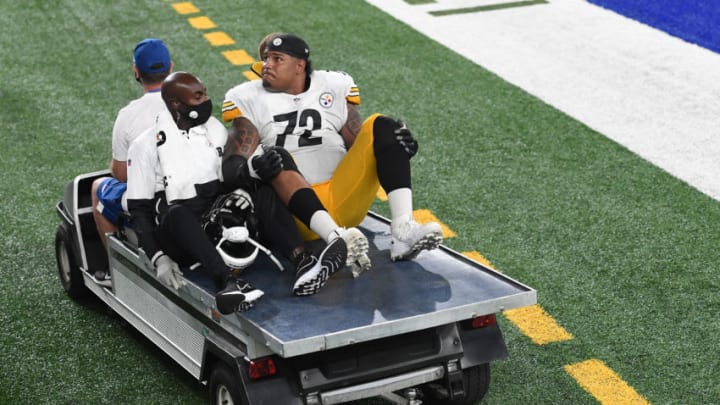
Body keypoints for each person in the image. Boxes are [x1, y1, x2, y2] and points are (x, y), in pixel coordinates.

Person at [221, 33, 443, 264]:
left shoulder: (333, 86)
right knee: (276, 155)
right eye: (266, 59)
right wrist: (254, 168)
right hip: (298, 213)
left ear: (299, 66)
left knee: (384, 125)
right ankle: (336, 239)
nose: (267, 65)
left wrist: (396, 148)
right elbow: (230, 168)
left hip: (344, 195)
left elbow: (360, 144)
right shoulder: (247, 97)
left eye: (277, 59)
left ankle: (403, 230)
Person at [126, 71, 262, 314]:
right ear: (176, 104)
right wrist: (158, 257)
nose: (207, 100)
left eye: (205, 93)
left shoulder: (214, 130)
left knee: (263, 187)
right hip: (177, 234)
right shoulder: (144, 146)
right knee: (178, 213)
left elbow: (228, 178)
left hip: (215, 223)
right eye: (199, 96)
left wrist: (244, 191)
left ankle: (301, 257)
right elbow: (139, 210)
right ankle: (227, 283)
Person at [91, 38, 174, 279]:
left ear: (136, 72)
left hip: (151, 199)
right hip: (191, 190)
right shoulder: (190, 100)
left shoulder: (128, 115)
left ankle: (116, 271)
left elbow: (121, 174)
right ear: (171, 66)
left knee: (98, 188)